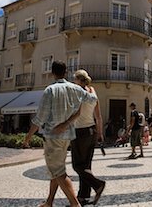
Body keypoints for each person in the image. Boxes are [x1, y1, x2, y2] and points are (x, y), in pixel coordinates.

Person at [23, 61, 99, 207]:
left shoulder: (50, 90)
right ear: (66, 73)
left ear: (52, 73)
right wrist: (92, 89)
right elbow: (93, 99)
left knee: (58, 171)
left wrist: (27, 138)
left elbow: (40, 118)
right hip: (68, 136)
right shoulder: (75, 89)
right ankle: (49, 202)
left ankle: (74, 204)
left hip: (53, 137)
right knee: (56, 169)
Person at [53, 69, 105, 206]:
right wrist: (100, 133)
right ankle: (83, 196)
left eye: (74, 79)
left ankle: (98, 185)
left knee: (77, 165)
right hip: (92, 131)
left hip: (79, 132)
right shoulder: (93, 91)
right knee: (86, 165)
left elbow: (74, 113)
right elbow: (98, 116)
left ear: (79, 80)